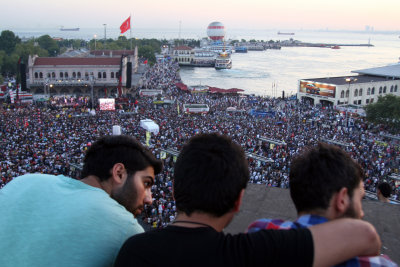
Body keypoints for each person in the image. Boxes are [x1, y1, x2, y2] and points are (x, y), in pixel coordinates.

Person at [115, 133, 381, 267]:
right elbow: (365, 236)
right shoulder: (253, 252)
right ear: (238, 201)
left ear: (173, 190)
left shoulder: (133, 251)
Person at [0, 135, 162, 267]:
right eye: (146, 183)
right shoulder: (126, 229)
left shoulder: (24, 182)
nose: (149, 198)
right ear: (119, 173)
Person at [248, 143, 397, 266]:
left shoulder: (260, 233)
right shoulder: (376, 264)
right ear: (342, 200)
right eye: (360, 199)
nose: (362, 212)